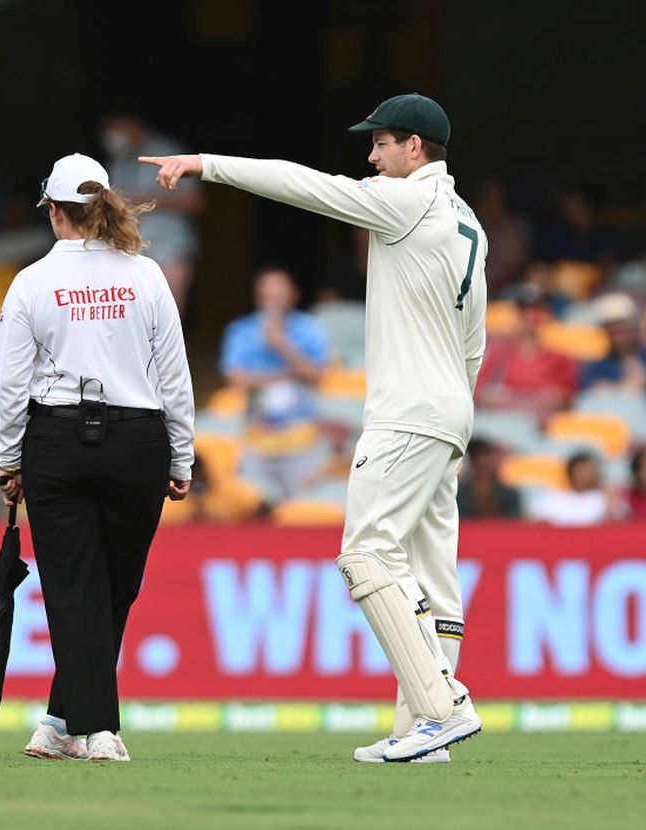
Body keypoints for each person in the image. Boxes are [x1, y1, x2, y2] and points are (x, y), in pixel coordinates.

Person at [142, 91, 486, 762]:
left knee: (366, 555)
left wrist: (207, 162)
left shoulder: (404, 201)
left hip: (409, 411)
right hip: (447, 409)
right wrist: (457, 414)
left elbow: (307, 187)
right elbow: (473, 338)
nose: (370, 154)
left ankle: (442, 710)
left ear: (413, 149)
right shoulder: (463, 214)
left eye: (380, 143)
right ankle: (423, 727)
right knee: (430, 570)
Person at [0, 153, 195, 762]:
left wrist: (9, 458)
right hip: (138, 440)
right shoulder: (147, 275)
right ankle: (90, 726)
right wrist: (181, 456)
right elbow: (174, 375)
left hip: (55, 439)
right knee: (113, 589)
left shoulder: (31, 280)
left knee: (73, 587)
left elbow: (9, 382)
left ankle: (67, 721)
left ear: (54, 212)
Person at [219, 265, 331, 499]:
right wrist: (285, 375)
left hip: (302, 434)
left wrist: (281, 344)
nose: (271, 302)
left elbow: (318, 375)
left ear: (294, 295)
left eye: (277, 296)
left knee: (305, 508)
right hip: (256, 434)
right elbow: (234, 378)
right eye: (266, 297)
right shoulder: (241, 330)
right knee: (252, 503)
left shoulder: (309, 328)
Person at [101, 112, 204, 315]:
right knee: (130, 314)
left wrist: (147, 201)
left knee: (169, 313)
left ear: (132, 124)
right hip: (128, 247)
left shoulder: (170, 153)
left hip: (170, 247)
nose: (111, 135)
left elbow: (196, 201)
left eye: (115, 127)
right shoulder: (118, 160)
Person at [475, 280, 579, 422]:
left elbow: (566, 399)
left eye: (539, 311)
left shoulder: (560, 356)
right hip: (500, 419)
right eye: (525, 311)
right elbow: (479, 394)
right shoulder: (498, 351)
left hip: (538, 423)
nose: (531, 317)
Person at [525, 450, 623, 526]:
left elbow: (616, 524)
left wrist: (610, 498)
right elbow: (532, 521)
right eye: (583, 469)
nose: (589, 474)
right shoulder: (553, 498)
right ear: (571, 472)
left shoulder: (604, 498)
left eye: (592, 469)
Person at [578, 291, 646, 393]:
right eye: (612, 331)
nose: (618, 337)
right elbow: (589, 394)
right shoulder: (597, 366)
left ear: (636, 328)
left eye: (623, 329)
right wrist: (622, 387)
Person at [456, 438, 522, 519]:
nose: (483, 462)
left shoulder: (509, 494)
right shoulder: (459, 493)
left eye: (487, 456)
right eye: (477, 456)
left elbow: (513, 524)